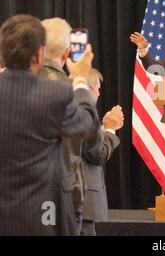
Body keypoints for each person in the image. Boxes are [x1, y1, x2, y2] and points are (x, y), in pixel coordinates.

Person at [0, 14, 100, 235]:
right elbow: (88, 127)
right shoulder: (56, 94)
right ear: (38, 55)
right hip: (42, 219)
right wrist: (81, 81)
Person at [40, 17, 92, 235]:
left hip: (23, 195)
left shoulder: (14, 84)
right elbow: (93, 143)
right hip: (65, 191)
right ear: (66, 53)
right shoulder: (72, 90)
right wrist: (80, 80)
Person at [80, 69, 124, 236]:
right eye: (96, 88)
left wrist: (103, 129)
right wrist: (111, 130)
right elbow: (98, 154)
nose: (99, 93)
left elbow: (85, 145)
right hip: (83, 202)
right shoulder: (84, 114)